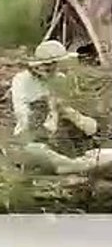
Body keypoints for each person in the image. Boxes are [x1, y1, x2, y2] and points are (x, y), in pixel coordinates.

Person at [8, 40, 109, 175]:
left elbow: (88, 126)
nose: (53, 68)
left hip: (65, 140)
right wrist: (49, 109)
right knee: (36, 150)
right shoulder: (22, 80)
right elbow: (24, 118)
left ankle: (78, 164)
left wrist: (67, 111)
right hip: (34, 138)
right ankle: (72, 165)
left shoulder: (61, 79)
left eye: (56, 64)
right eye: (49, 65)